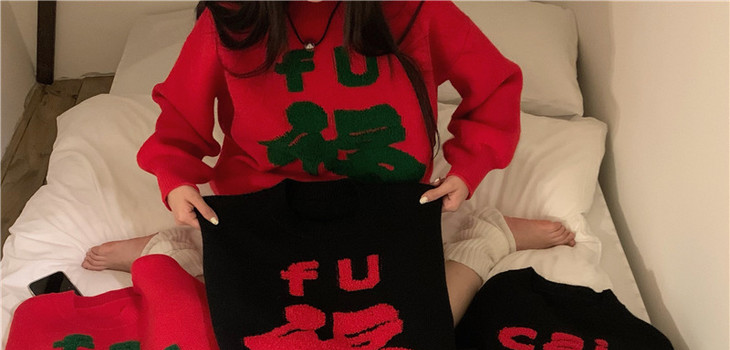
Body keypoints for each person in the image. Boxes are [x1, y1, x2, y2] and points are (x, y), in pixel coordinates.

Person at [82, 0, 575, 319]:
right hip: (266, 207)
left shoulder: (418, 10)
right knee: (246, 329)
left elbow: (494, 85)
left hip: (382, 205)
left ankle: (485, 236)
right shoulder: (230, 19)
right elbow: (179, 116)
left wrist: (468, 169)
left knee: (412, 330)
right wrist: (175, 180)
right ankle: (176, 245)